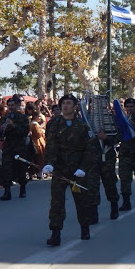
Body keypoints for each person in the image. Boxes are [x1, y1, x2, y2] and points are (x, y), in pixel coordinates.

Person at [42, 94, 99, 246]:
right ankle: (55, 233)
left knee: (81, 201)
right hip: (59, 171)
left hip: (77, 171)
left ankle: (85, 228)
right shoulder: (53, 124)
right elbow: (51, 146)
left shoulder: (82, 126)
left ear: (75, 107)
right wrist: (49, 164)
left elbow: (90, 150)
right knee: (57, 203)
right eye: (63, 103)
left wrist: (83, 169)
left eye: (69, 103)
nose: (66, 106)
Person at [0, 96, 30, 201]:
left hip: (20, 146)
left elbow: (24, 132)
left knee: (21, 168)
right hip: (8, 146)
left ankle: (22, 188)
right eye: (9, 105)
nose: (11, 107)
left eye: (13, 105)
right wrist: (1, 129)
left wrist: (13, 125)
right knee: (6, 168)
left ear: (17, 105)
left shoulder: (23, 117)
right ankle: (7, 192)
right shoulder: (4, 118)